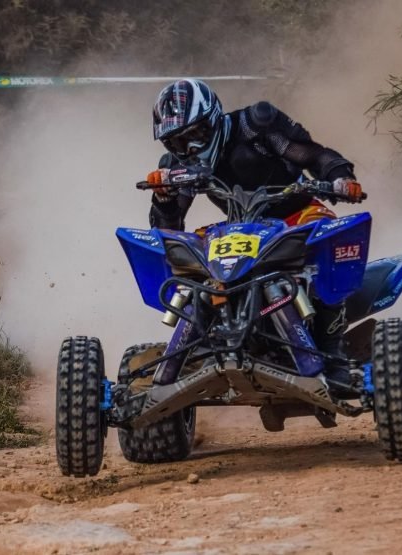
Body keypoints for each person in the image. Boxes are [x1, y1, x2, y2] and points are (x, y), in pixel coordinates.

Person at [144, 78, 364, 387]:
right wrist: (163, 197)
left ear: (213, 119)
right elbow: (167, 230)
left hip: (296, 215)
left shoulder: (254, 125)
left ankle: (332, 352)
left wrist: (341, 178)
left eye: (194, 136)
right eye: (177, 143)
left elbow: (313, 155)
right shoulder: (175, 166)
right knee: (189, 252)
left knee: (329, 237)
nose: (189, 149)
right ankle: (200, 343)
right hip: (240, 229)